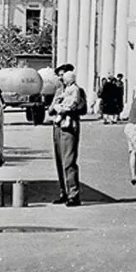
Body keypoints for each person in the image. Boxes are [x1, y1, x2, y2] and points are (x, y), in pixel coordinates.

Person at [47, 63, 87, 206]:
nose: (60, 77)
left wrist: (69, 108)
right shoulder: (58, 91)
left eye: (62, 74)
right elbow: (50, 110)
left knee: (68, 161)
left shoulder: (78, 90)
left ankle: (73, 194)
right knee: (59, 161)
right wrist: (57, 104)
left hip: (70, 127)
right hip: (57, 127)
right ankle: (63, 191)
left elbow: (82, 109)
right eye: (59, 75)